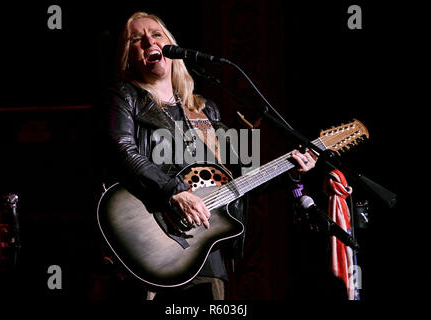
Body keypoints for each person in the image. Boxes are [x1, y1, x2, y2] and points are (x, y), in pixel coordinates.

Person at [100, 11, 316, 300]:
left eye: (156, 34)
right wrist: (174, 191)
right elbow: (120, 147)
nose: (149, 40)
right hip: (147, 240)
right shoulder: (125, 95)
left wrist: (291, 170)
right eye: (137, 39)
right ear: (129, 55)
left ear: (171, 46)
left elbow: (242, 176)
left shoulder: (204, 111)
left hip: (202, 249)